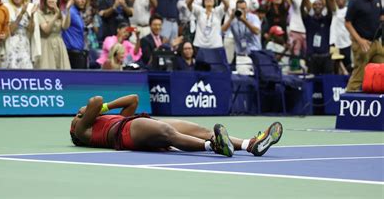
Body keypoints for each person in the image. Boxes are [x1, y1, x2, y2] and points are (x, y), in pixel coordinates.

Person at [70, 94, 283, 157]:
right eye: (75, 119)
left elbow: (133, 99)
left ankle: (250, 144)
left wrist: (106, 109)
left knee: (201, 130)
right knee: (168, 133)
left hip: (135, 124)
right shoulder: (83, 131)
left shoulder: (107, 118)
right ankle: (214, 146)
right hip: (126, 133)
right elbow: (95, 101)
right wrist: (90, 111)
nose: (76, 117)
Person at [345, 0, 384, 91]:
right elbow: (347, 23)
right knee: (359, 75)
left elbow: (380, 15)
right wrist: (359, 40)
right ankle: (348, 99)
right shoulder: (355, 1)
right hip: (362, 43)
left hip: (376, 42)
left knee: (381, 71)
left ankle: (378, 99)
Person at [3, 0, 40, 69]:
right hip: (11, 44)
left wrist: (31, 16)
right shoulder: (6, 7)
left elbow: (31, 31)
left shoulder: (31, 7)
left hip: (25, 44)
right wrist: (21, 13)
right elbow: (11, 31)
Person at [37, 0, 71, 70]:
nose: (53, 0)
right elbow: (46, 30)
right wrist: (56, 15)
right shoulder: (39, 13)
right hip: (46, 44)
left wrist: (68, 10)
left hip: (59, 44)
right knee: (47, 69)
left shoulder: (60, 12)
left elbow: (65, 26)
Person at [63, 0, 88, 69]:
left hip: (79, 52)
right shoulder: (70, 12)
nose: (83, 1)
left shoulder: (77, 13)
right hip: (72, 53)